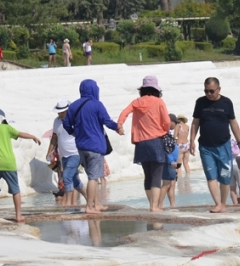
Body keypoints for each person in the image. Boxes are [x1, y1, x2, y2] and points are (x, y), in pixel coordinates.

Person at [63, 79, 124, 214]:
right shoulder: (97, 105)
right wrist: (117, 127)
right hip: (95, 146)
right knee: (93, 177)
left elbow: (66, 124)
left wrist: (75, 133)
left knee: (92, 174)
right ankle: (90, 207)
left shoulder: (73, 106)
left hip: (81, 146)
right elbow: (107, 121)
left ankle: (97, 204)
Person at [117, 76, 171, 213]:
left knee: (148, 175)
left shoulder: (136, 102)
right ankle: (155, 206)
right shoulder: (159, 102)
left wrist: (119, 125)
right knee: (157, 174)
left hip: (141, 143)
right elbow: (167, 122)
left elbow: (124, 113)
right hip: (156, 141)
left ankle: (151, 205)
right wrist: (164, 130)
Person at [189, 77, 240, 213]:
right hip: (205, 146)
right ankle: (218, 203)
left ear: (219, 89)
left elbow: (233, 123)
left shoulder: (226, 102)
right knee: (211, 176)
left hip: (224, 145)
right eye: (206, 91)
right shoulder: (200, 102)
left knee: (225, 176)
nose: (209, 94)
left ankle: (223, 204)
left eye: (212, 91)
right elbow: (195, 122)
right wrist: (191, 141)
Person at [0, 109, 41, 222]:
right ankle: (18, 216)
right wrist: (33, 136)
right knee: (15, 190)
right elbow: (20, 134)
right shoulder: (7, 128)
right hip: (9, 163)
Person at [46, 99, 86, 206]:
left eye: (62, 112)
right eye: (59, 112)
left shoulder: (75, 119)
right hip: (63, 155)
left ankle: (68, 204)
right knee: (75, 180)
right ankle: (90, 199)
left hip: (76, 153)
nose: (60, 114)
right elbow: (54, 138)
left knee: (67, 176)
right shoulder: (56, 121)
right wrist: (49, 151)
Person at [159, 114, 181, 209]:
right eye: (175, 122)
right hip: (169, 163)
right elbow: (166, 149)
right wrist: (172, 161)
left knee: (172, 184)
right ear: (170, 121)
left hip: (172, 163)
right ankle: (159, 205)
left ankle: (173, 204)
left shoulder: (167, 133)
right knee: (166, 184)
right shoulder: (164, 134)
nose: (175, 124)